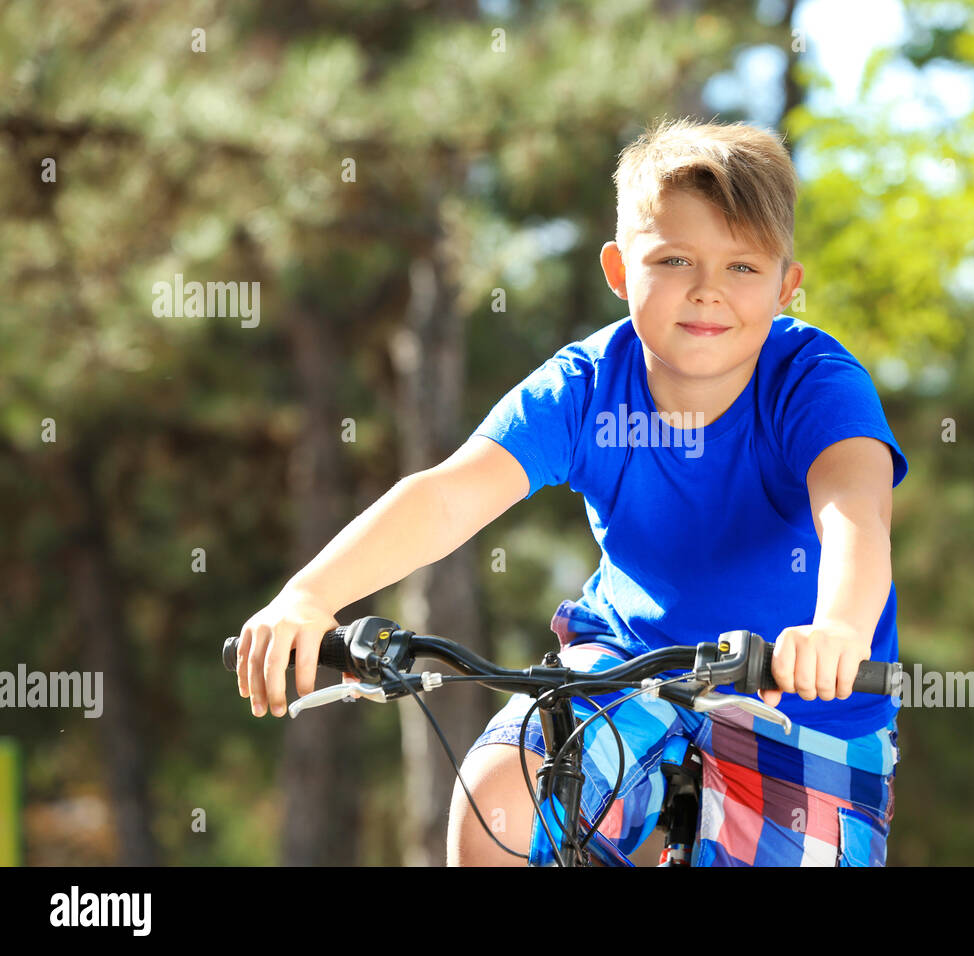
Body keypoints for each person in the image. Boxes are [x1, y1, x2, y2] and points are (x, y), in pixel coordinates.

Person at [235, 115, 908, 867]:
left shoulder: (815, 381)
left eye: (743, 268)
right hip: (632, 664)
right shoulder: (585, 386)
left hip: (808, 702)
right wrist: (308, 596)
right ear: (619, 271)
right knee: (499, 802)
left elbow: (856, 509)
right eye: (675, 259)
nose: (708, 292)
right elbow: (449, 495)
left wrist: (840, 631)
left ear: (787, 286)